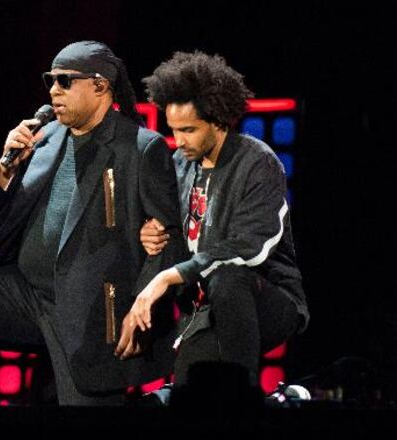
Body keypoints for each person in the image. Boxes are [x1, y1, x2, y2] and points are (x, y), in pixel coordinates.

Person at [0, 41, 182, 405]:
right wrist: (6, 170)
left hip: (90, 309)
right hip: (27, 293)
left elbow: (168, 239)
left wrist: (143, 307)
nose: (53, 91)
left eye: (64, 81)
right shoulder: (46, 136)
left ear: (100, 85)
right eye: (50, 80)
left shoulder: (140, 147)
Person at [131, 51, 310, 390]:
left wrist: (168, 277)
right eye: (174, 130)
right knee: (191, 387)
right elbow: (169, 229)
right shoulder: (180, 165)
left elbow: (249, 247)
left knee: (229, 278)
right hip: (205, 308)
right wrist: (150, 233)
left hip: (266, 300)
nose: (179, 140)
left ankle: (244, 399)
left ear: (219, 121)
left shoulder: (258, 162)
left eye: (189, 130)